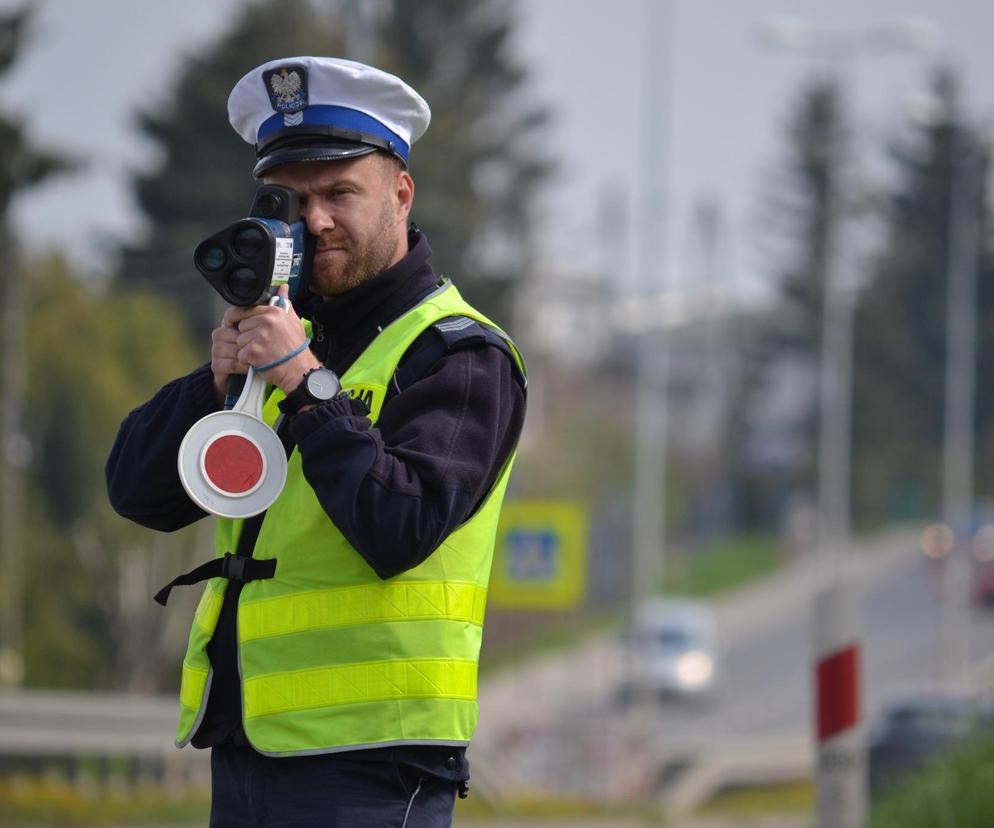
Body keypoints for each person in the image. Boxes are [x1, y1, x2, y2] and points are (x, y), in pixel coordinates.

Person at [106, 56, 527, 828]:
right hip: (247, 749)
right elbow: (136, 492)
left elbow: (399, 527)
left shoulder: (461, 355)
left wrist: (305, 386)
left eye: (340, 193)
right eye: (294, 200)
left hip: (373, 765)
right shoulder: (282, 335)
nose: (317, 220)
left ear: (400, 194)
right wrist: (217, 378)